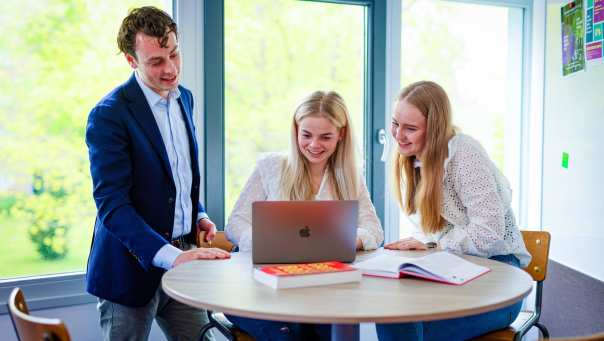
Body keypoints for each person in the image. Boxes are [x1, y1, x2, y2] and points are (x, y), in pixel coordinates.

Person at [85, 6, 230, 341]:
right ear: (131, 60)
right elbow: (112, 205)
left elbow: (176, 176)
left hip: (184, 265)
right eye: (156, 61)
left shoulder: (185, 99)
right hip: (129, 273)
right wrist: (173, 258)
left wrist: (199, 213)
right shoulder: (109, 115)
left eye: (174, 54)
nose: (170, 69)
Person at [376, 80, 531, 341]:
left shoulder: (464, 154)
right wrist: (426, 242)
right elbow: (434, 231)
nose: (398, 135)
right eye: (395, 123)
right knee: (392, 317)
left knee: (410, 328)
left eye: (410, 128)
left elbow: (489, 233)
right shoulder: (414, 160)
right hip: (456, 268)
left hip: (500, 277)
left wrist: (434, 245)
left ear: (434, 129)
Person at [225, 90, 384, 340]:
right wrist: (267, 242)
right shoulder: (272, 166)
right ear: (296, 129)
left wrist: (350, 239)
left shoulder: (351, 174)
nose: (314, 145)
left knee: (336, 330)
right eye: (306, 135)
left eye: (325, 137)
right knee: (294, 334)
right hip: (263, 287)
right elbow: (235, 223)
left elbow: (374, 229)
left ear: (341, 135)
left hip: (322, 288)